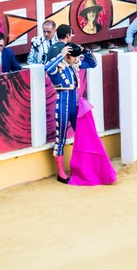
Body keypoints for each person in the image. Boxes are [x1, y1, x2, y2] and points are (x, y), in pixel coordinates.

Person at [44, 43, 114, 186]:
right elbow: (47, 68)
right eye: (73, 57)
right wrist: (61, 54)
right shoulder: (58, 66)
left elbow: (91, 63)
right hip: (62, 104)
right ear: (67, 55)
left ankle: (87, 169)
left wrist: (85, 50)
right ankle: (61, 173)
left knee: (85, 136)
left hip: (75, 104)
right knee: (60, 139)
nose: (76, 59)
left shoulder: (73, 64)